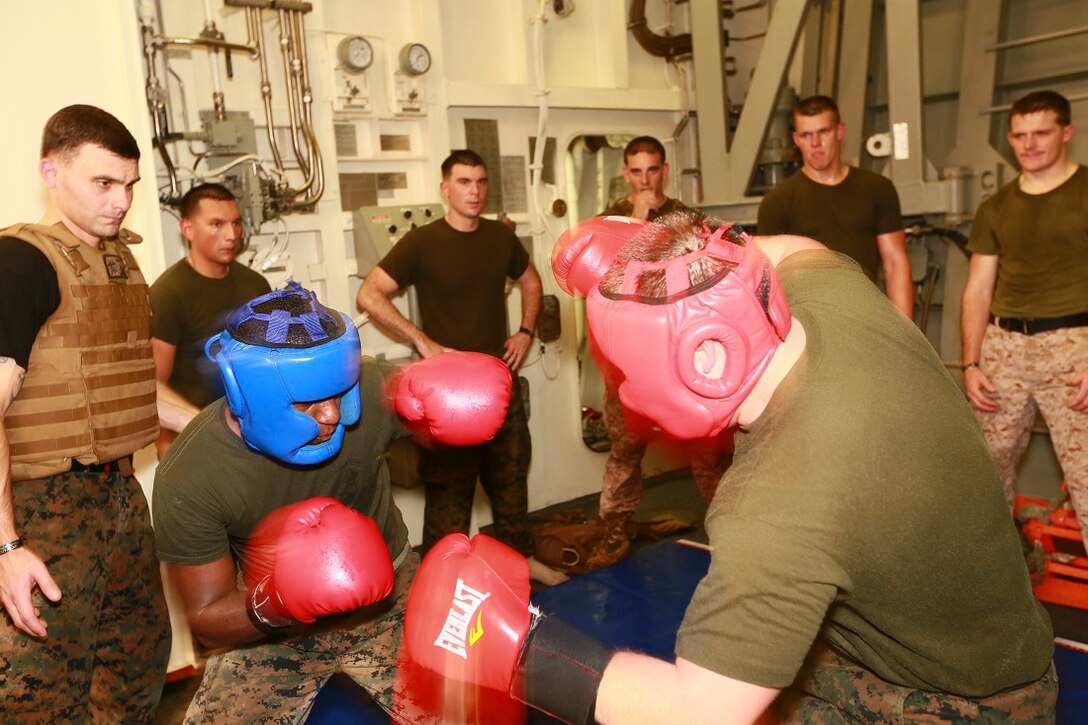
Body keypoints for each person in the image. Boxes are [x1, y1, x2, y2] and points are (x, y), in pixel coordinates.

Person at [400, 211, 1056, 724]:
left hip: (965, 698)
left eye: (623, 372)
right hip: (970, 629)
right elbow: (786, 246)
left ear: (703, 360)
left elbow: (697, 711)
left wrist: (515, 650)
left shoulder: (777, 498)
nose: (622, 394)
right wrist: (652, 247)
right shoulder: (835, 301)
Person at [152, 282, 513, 721]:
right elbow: (206, 617)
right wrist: (284, 599)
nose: (332, 416)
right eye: (307, 403)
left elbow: (432, 424)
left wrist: (449, 404)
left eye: (339, 392)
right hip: (270, 626)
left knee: (474, 712)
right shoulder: (191, 476)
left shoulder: (369, 389)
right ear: (247, 396)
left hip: (392, 598)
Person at [0, 104, 171, 721]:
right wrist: (6, 547)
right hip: (42, 510)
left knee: (134, 673)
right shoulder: (20, 262)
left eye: (129, 185)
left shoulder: (120, 262)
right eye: (103, 182)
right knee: (37, 696)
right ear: (51, 171)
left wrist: (219, 419)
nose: (121, 201)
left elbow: (132, 384)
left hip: (120, 496)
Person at [356, 149, 551, 577]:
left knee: (511, 482)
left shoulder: (500, 238)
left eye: (481, 182)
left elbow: (531, 281)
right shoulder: (422, 242)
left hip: (499, 385)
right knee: (448, 494)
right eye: (464, 182)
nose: (475, 191)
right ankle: (445, 577)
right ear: (445, 189)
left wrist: (525, 330)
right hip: (450, 397)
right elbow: (369, 294)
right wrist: (422, 340)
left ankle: (523, 565)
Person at [592, 138, 729, 563]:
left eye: (652, 170)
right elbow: (604, 279)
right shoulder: (609, 218)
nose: (645, 179)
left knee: (708, 449)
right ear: (625, 173)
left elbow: (704, 271)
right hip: (626, 355)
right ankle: (614, 530)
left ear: (664, 170)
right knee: (625, 449)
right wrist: (636, 220)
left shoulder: (684, 218)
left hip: (676, 348)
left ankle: (728, 528)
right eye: (636, 171)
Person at [961, 89, 1088, 550]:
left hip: (1074, 349)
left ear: (1067, 132)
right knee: (985, 481)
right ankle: (996, 597)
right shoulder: (996, 208)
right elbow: (978, 289)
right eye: (1019, 136)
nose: (1029, 145)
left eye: (1041, 133)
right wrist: (971, 363)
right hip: (1004, 349)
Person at [757, 94, 914, 319]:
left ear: (840, 131)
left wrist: (905, 333)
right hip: (809, 322)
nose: (815, 143)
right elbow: (771, 278)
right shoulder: (778, 202)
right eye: (806, 135)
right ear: (796, 139)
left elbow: (895, 262)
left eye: (823, 132)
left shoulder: (877, 188)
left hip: (867, 315)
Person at [149, 182, 270, 456]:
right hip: (198, 442)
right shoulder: (168, 294)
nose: (231, 235)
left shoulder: (256, 285)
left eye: (236, 223)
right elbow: (155, 385)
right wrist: (168, 453)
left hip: (256, 435)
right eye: (217, 224)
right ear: (187, 229)